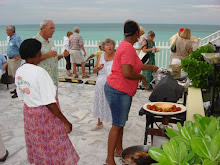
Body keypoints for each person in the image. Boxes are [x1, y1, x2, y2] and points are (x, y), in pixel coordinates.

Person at [15, 38, 79, 164]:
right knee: (55, 143)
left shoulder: (19, 71)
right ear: (37, 54)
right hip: (45, 115)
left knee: (40, 143)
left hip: (29, 114)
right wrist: (65, 121)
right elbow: (49, 103)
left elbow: (21, 95)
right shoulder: (40, 72)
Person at [104, 20, 159, 165]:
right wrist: (141, 77)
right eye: (139, 35)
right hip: (118, 90)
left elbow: (137, 65)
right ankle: (109, 159)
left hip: (118, 89)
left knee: (120, 122)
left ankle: (118, 150)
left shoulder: (125, 45)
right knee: (117, 124)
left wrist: (152, 67)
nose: (139, 38)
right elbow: (127, 73)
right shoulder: (128, 48)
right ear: (135, 34)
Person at [34, 19, 69, 95]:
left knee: (54, 102)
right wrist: (46, 56)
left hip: (53, 79)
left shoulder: (51, 43)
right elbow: (31, 61)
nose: (53, 31)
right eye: (51, 28)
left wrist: (62, 55)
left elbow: (53, 58)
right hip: (42, 81)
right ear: (43, 28)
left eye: (54, 28)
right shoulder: (35, 42)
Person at [91, 38, 115, 131]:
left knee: (112, 103)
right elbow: (94, 70)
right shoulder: (100, 56)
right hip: (100, 83)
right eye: (107, 45)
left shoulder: (117, 56)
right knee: (99, 101)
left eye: (111, 44)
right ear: (103, 47)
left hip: (112, 82)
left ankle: (115, 123)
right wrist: (98, 68)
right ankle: (99, 122)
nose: (109, 46)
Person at [6, 25, 22, 98]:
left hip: (15, 60)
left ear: (11, 31)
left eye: (7, 30)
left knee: (17, 76)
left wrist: (19, 56)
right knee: (13, 75)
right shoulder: (11, 38)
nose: (6, 32)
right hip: (10, 59)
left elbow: (21, 47)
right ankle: (16, 89)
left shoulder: (16, 38)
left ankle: (19, 92)